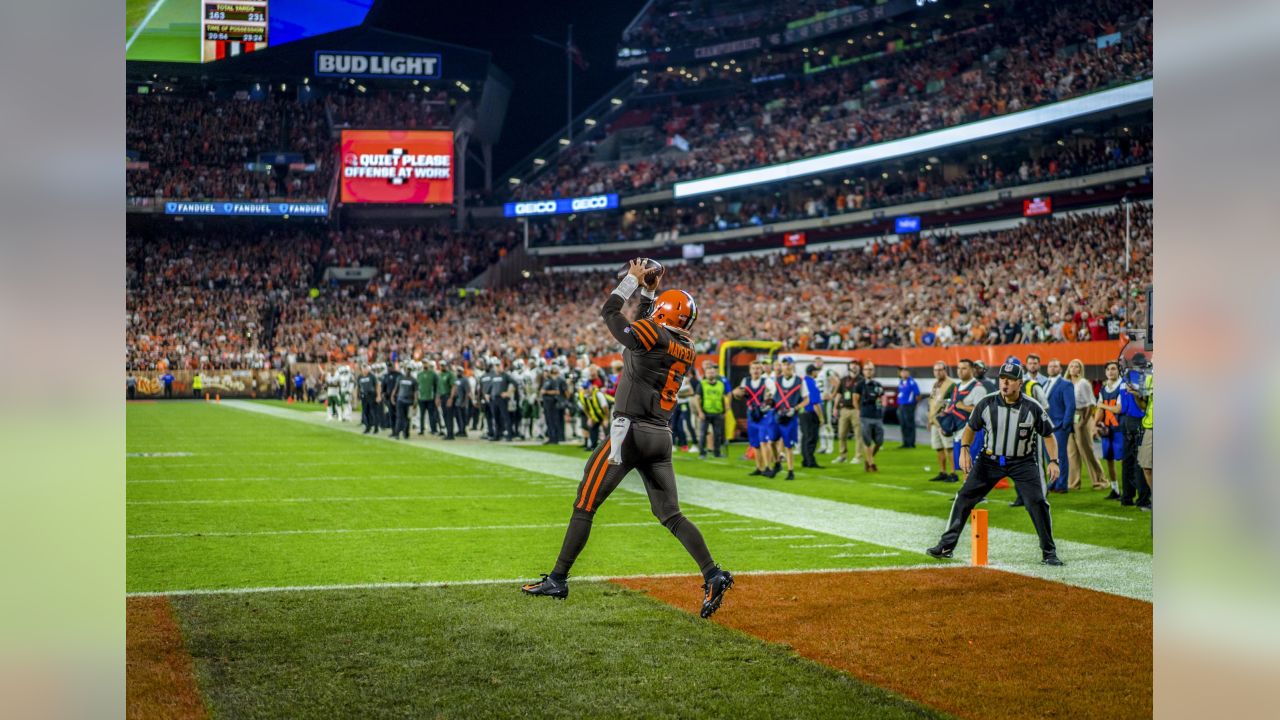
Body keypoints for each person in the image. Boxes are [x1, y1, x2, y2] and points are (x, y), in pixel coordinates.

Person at [522, 259, 734, 620]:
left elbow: (611, 313)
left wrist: (631, 282)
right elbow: (647, 323)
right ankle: (713, 574)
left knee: (585, 504)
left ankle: (557, 579)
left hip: (629, 432)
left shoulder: (654, 335)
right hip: (659, 436)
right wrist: (649, 290)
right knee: (671, 514)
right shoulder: (685, 346)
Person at [927, 362, 1064, 566]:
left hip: (1023, 462)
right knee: (964, 497)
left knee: (1037, 503)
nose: (1005, 383)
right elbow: (970, 427)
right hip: (989, 460)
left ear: (1019, 382)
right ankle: (946, 546)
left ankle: (1049, 552)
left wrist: (1053, 461)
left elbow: (1049, 435)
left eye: (1010, 379)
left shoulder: (1032, 406)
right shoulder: (986, 403)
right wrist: (964, 449)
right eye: (1002, 378)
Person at [1065, 358, 1105, 490]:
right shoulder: (1066, 383)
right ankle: (1074, 483)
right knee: (1072, 452)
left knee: (1087, 450)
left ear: (1080, 369)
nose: (1073, 368)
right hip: (1069, 417)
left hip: (1082, 415)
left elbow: (1091, 404)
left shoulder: (1083, 383)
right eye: (1072, 366)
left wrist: (1083, 422)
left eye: (1077, 366)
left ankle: (1100, 481)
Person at [733, 361, 777, 477]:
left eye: (758, 368)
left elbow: (773, 394)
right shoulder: (745, 381)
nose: (756, 370)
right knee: (755, 443)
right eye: (753, 368)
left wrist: (768, 400)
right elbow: (738, 394)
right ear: (750, 370)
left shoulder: (767, 381)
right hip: (751, 414)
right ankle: (759, 467)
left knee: (764, 441)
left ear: (761, 370)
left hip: (764, 415)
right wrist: (736, 393)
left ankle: (768, 467)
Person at [770, 357, 808, 481]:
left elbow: (807, 399)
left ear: (792, 366)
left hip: (791, 416)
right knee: (771, 441)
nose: (786, 367)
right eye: (784, 364)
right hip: (777, 415)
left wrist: (796, 408)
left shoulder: (800, 381)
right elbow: (772, 397)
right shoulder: (777, 380)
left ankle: (790, 471)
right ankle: (777, 464)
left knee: (788, 446)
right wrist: (767, 403)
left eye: (788, 364)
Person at [1042, 359, 1077, 493]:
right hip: (1046, 427)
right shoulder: (1045, 383)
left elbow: (1071, 406)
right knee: (1050, 457)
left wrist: (1064, 425)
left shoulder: (1066, 384)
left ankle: (1062, 485)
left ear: (1060, 369)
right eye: (1050, 366)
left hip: (1059, 427)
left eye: (1055, 366)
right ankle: (1053, 482)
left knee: (1060, 456)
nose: (1052, 368)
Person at [1094, 361, 1124, 499]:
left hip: (1120, 429)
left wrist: (1102, 405)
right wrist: (1095, 425)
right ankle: (1115, 489)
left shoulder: (1122, 386)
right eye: (1108, 369)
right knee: (1109, 459)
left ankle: (1128, 490)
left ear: (1118, 371)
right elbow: (1100, 409)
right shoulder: (1103, 388)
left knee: (1124, 461)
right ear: (1105, 372)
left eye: (1114, 369)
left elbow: (1118, 408)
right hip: (1107, 429)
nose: (1111, 372)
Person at [927, 362, 957, 482]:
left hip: (945, 420)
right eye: (936, 370)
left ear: (945, 370)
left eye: (940, 370)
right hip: (935, 420)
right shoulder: (935, 384)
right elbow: (932, 402)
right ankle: (942, 471)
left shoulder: (951, 384)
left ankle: (953, 473)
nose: (938, 372)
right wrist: (930, 419)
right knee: (938, 447)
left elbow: (952, 402)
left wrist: (946, 416)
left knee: (949, 447)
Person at [693, 361, 730, 459]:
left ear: (715, 374)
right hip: (705, 413)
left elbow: (724, 398)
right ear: (705, 374)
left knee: (718, 434)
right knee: (703, 434)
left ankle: (717, 453)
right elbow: (697, 398)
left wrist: (726, 410)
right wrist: (700, 412)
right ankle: (702, 453)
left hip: (718, 412)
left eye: (712, 372)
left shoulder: (721, 384)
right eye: (709, 372)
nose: (711, 374)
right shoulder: (702, 384)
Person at [853, 362, 885, 472]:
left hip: (877, 416)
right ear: (863, 371)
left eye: (871, 369)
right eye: (867, 369)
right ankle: (871, 464)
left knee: (879, 441)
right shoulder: (859, 385)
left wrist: (882, 407)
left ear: (874, 371)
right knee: (867, 441)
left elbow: (882, 398)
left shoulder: (878, 385)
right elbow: (855, 399)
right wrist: (858, 411)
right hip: (865, 416)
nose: (869, 371)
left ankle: (868, 459)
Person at [832, 373, 862, 465]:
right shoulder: (844, 379)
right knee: (841, 434)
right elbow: (839, 394)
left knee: (858, 434)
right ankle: (842, 456)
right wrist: (835, 407)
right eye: (852, 365)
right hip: (844, 409)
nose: (854, 367)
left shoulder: (861, 380)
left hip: (856, 410)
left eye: (855, 365)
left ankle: (858, 456)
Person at [799, 363, 824, 469]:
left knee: (805, 437)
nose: (817, 372)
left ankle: (805, 459)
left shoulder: (802, 381)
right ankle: (810, 461)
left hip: (802, 413)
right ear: (813, 372)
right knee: (812, 437)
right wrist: (821, 417)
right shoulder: (811, 383)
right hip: (810, 413)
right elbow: (815, 402)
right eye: (816, 371)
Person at [541, 365, 567, 445]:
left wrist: (546, 392)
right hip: (546, 403)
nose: (544, 373)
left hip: (552, 403)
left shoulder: (553, 380)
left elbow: (557, 392)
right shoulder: (546, 381)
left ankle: (555, 438)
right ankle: (551, 437)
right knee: (548, 421)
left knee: (553, 421)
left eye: (546, 371)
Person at [896, 366, 920, 449]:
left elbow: (917, 395)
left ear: (908, 373)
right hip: (901, 405)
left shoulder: (912, 382)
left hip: (909, 405)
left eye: (905, 372)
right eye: (902, 372)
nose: (903, 373)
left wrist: (914, 405)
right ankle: (905, 442)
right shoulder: (901, 382)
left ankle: (911, 443)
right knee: (903, 424)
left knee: (910, 424)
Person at [392, 362, 417, 440]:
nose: (408, 371)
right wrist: (392, 396)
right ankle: (397, 433)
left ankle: (406, 433)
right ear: (405, 369)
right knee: (399, 417)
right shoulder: (400, 378)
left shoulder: (414, 380)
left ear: (411, 370)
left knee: (407, 418)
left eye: (409, 369)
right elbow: (396, 388)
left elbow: (416, 392)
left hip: (409, 401)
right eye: (407, 369)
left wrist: (415, 401)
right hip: (400, 400)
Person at [417, 360, 439, 436]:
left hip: (430, 397)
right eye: (423, 363)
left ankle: (433, 429)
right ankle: (421, 429)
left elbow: (437, 387)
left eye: (426, 363)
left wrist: (436, 397)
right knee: (421, 415)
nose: (425, 365)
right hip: (421, 397)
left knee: (431, 415)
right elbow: (417, 387)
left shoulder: (433, 374)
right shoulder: (419, 374)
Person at [436, 362, 456, 438]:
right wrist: (437, 398)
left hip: (448, 396)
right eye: (441, 365)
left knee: (449, 415)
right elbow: (438, 388)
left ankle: (450, 434)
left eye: (443, 365)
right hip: (442, 396)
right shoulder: (440, 375)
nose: (442, 367)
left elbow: (453, 386)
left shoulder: (450, 374)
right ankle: (448, 432)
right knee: (444, 415)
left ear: (446, 366)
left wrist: (451, 398)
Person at [358, 364, 378, 434]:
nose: (364, 369)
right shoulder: (360, 377)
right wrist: (359, 395)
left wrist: (378, 396)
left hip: (371, 395)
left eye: (365, 368)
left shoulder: (372, 376)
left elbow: (377, 385)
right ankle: (368, 427)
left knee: (373, 412)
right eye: (363, 368)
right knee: (365, 412)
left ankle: (376, 427)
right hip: (364, 396)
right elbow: (359, 387)